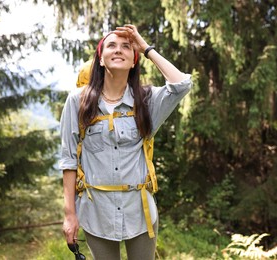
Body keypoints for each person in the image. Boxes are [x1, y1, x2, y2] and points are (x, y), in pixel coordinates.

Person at [59, 24, 192, 259]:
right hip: (95, 211)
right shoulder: (78, 101)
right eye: (111, 45)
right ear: (100, 59)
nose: (118, 50)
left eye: (126, 47)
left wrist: (145, 47)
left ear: (134, 61)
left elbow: (181, 85)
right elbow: (69, 160)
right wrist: (70, 214)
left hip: (140, 213)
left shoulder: (147, 100)